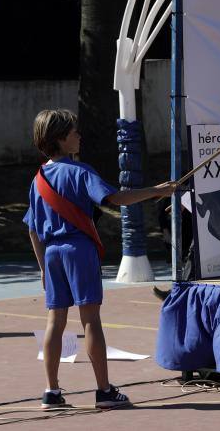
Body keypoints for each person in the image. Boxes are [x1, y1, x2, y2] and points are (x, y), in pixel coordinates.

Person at [23, 109, 176, 409]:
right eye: (74, 132)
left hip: (52, 253)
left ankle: (51, 392)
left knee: (55, 320)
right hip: (79, 249)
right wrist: (156, 191)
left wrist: (42, 266)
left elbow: (32, 229)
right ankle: (104, 391)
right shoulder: (81, 172)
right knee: (91, 320)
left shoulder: (37, 179)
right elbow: (115, 199)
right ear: (61, 139)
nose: (79, 136)